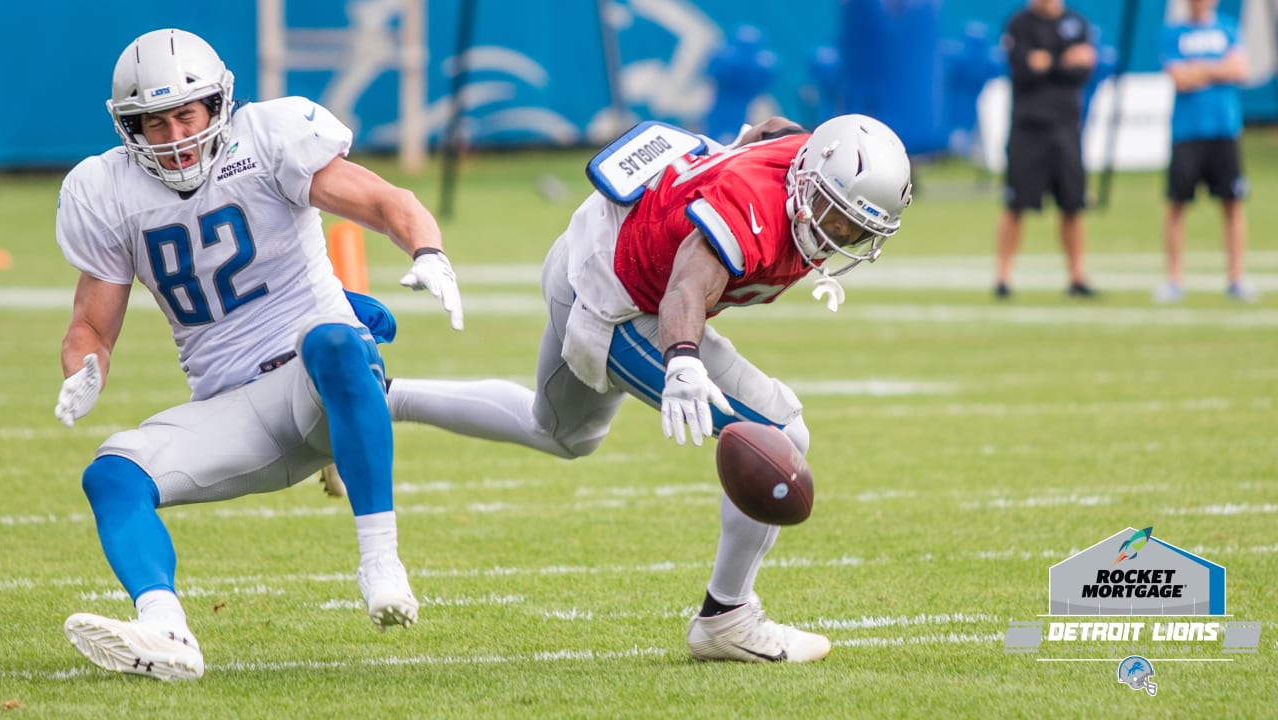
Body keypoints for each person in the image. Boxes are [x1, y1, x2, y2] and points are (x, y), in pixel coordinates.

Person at [383, 114, 914, 663]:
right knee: (781, 433)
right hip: (619, 300)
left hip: (588, 244)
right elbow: (686, 285)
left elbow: (775, 129)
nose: (838, 235)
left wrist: (759, 140)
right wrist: (683, 361)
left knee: (561, 432)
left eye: (855, 228)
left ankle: (380, 399)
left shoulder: (807, 157)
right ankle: (727, 617)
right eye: (833, 214)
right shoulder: (751, 211)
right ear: (808, 179)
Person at [53, 28, 464, 681]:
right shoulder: (106, 190)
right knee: (110, 476)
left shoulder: (270, 137)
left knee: (333, 339)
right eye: (152, 124)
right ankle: (166, 629)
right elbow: (90, 327)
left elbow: (388, 202)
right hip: (228, 403)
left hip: (319, 376)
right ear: (128, 127)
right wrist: (84, 370)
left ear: (218, 106)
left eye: (185, 115)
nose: (173, 136)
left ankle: (380, 559)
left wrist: (428, 251)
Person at [995, 0, 1097, 299]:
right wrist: (1063, 60)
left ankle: (1078, 276)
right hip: (1029, 129)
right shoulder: (1019, 24)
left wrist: (1048, 61)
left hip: (1066, 128)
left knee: (1073, 205)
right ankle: (1002, 277)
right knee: (1015, 204)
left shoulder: (1077, 22)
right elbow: (1025, 69)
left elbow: (1083, 69)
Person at [1157, 0, 1256, 303]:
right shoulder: (1174, 32)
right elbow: (1179, 78)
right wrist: (1217, 69)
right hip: (1186, 132)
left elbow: (1240, 69)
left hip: (1224, 129)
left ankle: (1236, 278)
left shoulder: (1227, 28)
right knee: (1177, 205)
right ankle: (1174, 279)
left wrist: (1200, 69)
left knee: (1232, 203)